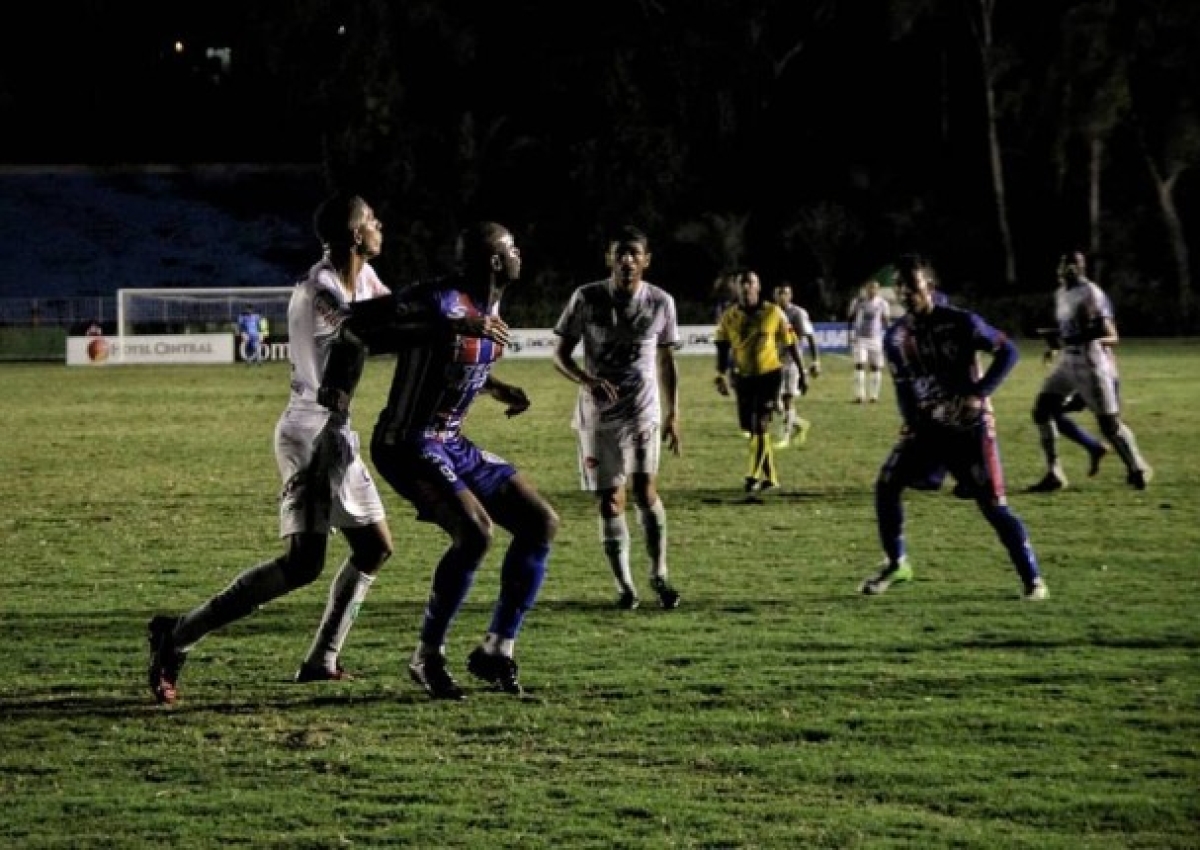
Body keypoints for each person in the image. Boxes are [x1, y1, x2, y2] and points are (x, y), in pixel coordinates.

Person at [146, 193, 398, 705]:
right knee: (304, 564)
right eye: (370, 219)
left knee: (374, 547)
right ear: (354, 235)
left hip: (337, 429)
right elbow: (369, 330)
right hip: (309, 433)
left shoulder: (362, 277)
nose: (379, 225)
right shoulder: (320, 289)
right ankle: (176, 635)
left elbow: (397, 312)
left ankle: (321, 660)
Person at [369, 221, 559, 700]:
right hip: (408, 441)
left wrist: (497, 388)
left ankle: (497, 650)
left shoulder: (492, 305)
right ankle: (426, 656)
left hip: (452, 441)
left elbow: (460, 360)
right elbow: (366, 324)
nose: (521, 254)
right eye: (513, 247)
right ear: (495, 259)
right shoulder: (439, 298)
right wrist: (449, 324)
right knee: (475, 533)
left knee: (540, 522)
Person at [859, 254, 1047, 600]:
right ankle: (897, 563)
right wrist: (911, 422)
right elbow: (903, 387)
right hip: (929, 428)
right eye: (899, 288)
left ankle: (1033, 580)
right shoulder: (896, 338)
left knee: (993, 506)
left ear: (929, 287)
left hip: (970, 427)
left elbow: (1008, 352)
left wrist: (979, 394)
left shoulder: (960, 322)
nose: (905, 294)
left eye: (912, 287)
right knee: (887, 484)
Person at [552, 225, 682, 611]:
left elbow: (666, 359)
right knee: (611, 501)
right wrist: (587, 380)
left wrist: (674, 412)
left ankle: (659, 573)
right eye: (619, 254)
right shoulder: (587, 298)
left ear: (646, 260)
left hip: (643, 412)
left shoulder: (661, 302)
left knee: (645, 491)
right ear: (609, 259)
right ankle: (625, 586)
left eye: (634, 254)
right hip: (597, 417)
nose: (627, 260)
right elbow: (559, 354)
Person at [1027, 250, 1151, 491]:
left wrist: (1063, 337)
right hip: (1068, 361)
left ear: (1081, 267)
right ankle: (1055, 473)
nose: (1067, 268)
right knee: (1042, 410)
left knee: (1109, 425)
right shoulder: (1061, 293)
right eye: (1065, 263)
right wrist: (1054, 343)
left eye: (1074, 264)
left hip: (1091, 363)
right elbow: (1068, 328)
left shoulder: (1090, 292)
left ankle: (1137, 467)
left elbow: (1106, 332)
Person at [714, 270, 807, 498]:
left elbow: (792, 341)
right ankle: (771, 477)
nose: (746, 287)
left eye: (750, 282)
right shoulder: (729, 316)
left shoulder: (774, 312)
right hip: (743, 378)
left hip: (769, 375)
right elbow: (722, 346)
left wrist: (802, 372)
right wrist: (720, 374)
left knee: (761, 423)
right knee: (751, 428)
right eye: (742, 283)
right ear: (736, 288)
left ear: (758, 286)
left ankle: (753, 476)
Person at [771, 283, 821, 448]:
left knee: (787, 399)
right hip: (773, 362)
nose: (781, 297)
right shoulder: (770, 313)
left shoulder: (797, 313)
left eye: (785, 293)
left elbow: (810, 336)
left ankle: (785, 437)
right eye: (779, 294)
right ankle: (800, 424)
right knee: (773, 402)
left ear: (790, 295)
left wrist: (815, 361)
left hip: (792, 362)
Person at [847, 278, 889, 403]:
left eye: (875, 288)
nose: (872, 290)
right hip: (861, 338)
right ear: (866, 289)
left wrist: (888, 336)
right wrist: (850, 334)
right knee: (859, 365)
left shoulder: (882, 303)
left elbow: (886, 320)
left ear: (878, 290)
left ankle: (874, 396)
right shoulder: (858, 302)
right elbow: (850, 318)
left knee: (875, 367)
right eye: (870, 288)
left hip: (876, 338)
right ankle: (860, 395)